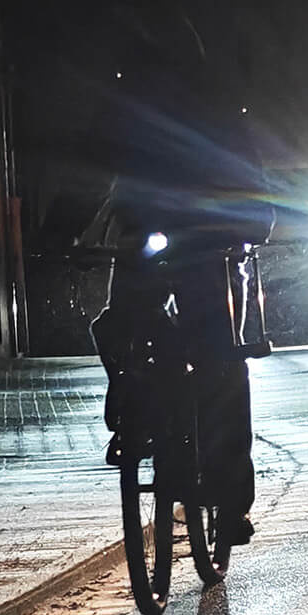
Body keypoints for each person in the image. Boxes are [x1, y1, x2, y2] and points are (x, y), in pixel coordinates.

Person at [91, 229, 256, 545]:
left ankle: (232, 504)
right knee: (116, 332)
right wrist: (62, 233)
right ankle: (132, 417)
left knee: (222, 363)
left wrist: (249, 226)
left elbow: (249, 184)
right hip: (142, 248)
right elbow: (97, 184)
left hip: (211, 255)